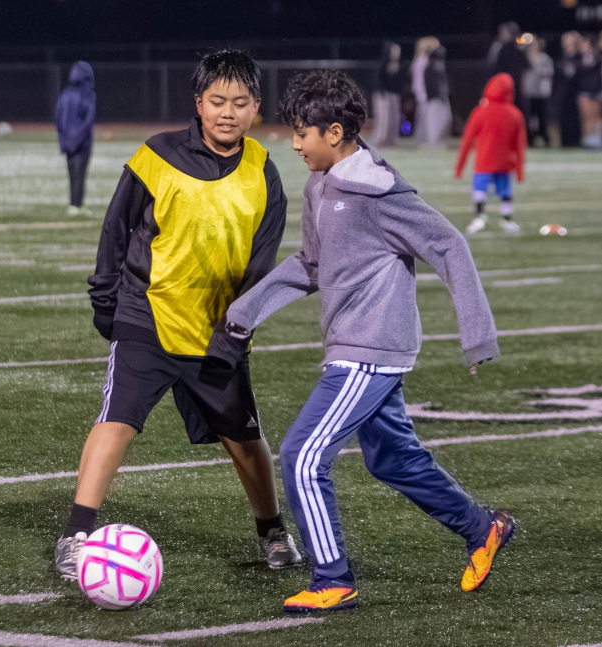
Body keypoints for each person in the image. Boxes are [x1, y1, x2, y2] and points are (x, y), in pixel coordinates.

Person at [218, 70, 515, 613]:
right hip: (351, 346)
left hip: (370, 348)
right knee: (392, 460)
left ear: (335, 133)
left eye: (303, 133)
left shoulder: (379, 192)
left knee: (303, 457)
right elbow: (310, 264)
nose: (295, 143)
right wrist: (245, 312)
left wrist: (477, 334)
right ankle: (483, 527)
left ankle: (333, 579)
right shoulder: (318, 186)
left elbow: (450, 246)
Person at [54, 50, 302, 582]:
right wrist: (106, 301)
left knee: (243, 435)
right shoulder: (156, 155)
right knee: (117, 420)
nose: (227, 112)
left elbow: (261, 265)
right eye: (217, 101)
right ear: (198, 102)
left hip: (220, 329)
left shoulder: (264, 169)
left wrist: (239, 329)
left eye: (240, 102)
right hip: (149, 315)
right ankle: (77, 534)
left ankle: (272, 531)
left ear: (256, 106)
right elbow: (115, 232)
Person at [455, 73, 527, 235]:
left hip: (483, 163)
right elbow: (519, 147)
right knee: (506, 193)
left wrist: (459, 168)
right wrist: (520, 172)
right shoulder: (515, 114)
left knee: (479, 191)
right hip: (505, 164)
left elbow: (466, 141)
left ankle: (479, 218)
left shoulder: (480, 112)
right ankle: (507, 219)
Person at [55, 61, 96, 218]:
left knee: (72, 173)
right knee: (80, 174)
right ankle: (77, 204)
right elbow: (89, 120)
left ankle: (73, 203)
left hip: (68, 141)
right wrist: (80, 137)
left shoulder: (65, 94)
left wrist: (64, 138)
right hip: (82, 142)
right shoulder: (87, 95)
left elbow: (58, 118)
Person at [371, 41, 406, 147]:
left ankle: (391, 140)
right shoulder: (383, 63)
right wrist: (383, 92)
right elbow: (378, 81)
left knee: (394, 118)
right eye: (395, 50)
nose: (397, 53)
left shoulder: (397, 65)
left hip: (393, 95)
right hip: (382, 95)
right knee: (383, 118)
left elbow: (399, 83)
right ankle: (380, 140)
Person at [551, 31, 582, 147]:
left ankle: (576, 140)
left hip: (576, 92)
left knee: (575, 116)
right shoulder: (560, 58)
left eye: (568, 39)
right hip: (563, 93)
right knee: (564, 116)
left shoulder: (580, 57)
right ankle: (565, 141)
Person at [523, 36, 554, 147]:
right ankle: (531, 138)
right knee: (531, 116)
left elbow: (549, 72)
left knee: (542, 116)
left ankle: (544, 137)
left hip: (541, 93)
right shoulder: (525, 57)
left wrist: (538, 65)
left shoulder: (544, 58)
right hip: (530, 92)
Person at [494, 22, 530, 117]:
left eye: (504, 32)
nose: (502, 35)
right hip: (512, 85)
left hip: (509, 85)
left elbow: (526, 66)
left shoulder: (508, 49)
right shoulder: (508, 48)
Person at [411, 36, 440, 146]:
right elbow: (419, 78)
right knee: (426, 116)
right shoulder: (422, 59)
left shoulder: (421, 59)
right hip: (423, 91)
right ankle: (426, 139)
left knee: (425, 115)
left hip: (423, 90)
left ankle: (426, 138)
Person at [575, 34, 602, 148]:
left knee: (596, 116)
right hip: (584, 90)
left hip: (596, 90)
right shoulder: (578, 58)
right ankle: (587, 141)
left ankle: (596, 140)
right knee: (586, 117)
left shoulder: (597, 57)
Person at [423, 43, 453, 147]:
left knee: (445, 119)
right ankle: (433, 141)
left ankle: (438, 140)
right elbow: (431, 85)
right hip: (434, 99)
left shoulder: (440, 66)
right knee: (434, 121)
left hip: (442, 98)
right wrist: (436, 95)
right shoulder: (431, 67)